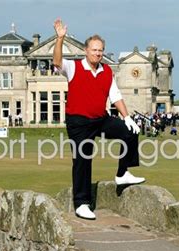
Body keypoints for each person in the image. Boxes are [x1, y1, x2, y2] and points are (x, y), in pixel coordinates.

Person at [53, 18, 145, 220]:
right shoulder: (74, 67)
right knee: (82, 160)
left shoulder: (107, 71)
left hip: (100, 119)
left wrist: (127, 117)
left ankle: (122, 174)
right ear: (86, 50)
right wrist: (60, 39)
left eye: (101, 50)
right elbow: (57, 62)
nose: (98, 53)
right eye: (94, 50)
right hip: (78, 122)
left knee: (130, 132)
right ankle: (81, 203)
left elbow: (116, 95)